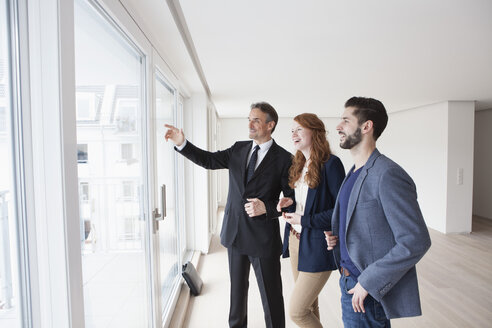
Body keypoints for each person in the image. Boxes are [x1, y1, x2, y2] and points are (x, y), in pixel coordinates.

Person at [164, 102, 294, 328]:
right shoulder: (239, 148)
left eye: (256, 120)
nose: (250, 124)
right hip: (235, 236)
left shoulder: (285, 158)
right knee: (236, 298)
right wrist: (181, 143)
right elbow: (209, 160)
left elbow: (290, 202)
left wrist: (268, 208)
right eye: (249, 119)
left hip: (264, 240)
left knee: (271, 299)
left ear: (270, 125)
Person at [325, 96, 431, 327]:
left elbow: (415, 240)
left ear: (366, 126)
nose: (338, 126)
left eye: (345, 120)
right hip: (348, 280)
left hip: (367, 290)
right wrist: (340, 240)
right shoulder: (354, 172)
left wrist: (369, 282)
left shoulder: (387, 174)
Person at [276, 113, 345, 328]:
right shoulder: (299, 163)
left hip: (317, 244)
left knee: (297, 312)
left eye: (299, 129)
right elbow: (305, 203)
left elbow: (340, 211)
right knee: (309, 307)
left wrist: (304, 219)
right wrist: (289, 202)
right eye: (292, 130)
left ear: (315, 132)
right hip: (296, 240)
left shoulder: (331, 164)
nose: (293, 134)